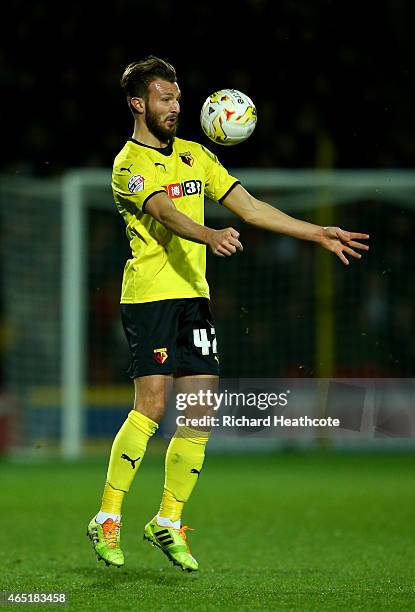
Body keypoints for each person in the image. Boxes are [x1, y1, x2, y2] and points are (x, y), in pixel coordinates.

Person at [87, 55, 369, 572]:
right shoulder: (127, 164)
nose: (176, 107)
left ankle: (167, 522)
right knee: (151, 406)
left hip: (194, 298)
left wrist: (317, 233)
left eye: (177, 98)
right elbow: (164, 212)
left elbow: (252, 207)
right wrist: (209, 234)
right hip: (149, 296)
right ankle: (107, 517)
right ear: (138, 104)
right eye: (165, 99)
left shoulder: (196, 156)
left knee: (199, 412)